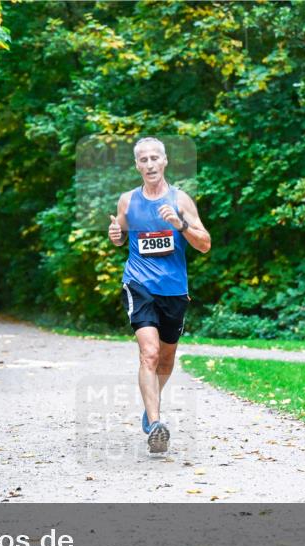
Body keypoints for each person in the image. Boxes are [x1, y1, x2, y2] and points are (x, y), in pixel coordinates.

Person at [108, 137, 211, 453]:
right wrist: (115, 235)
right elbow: (120, 232)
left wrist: (179, 225)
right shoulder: (127, 201)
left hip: (174, 290)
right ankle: (155, 424)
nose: (150, 164)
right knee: (149, 353)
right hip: (138, 285)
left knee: (166, 358)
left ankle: (150, 405)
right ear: (137, 165)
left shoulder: (181, 201)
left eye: (155, 158)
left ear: (164, 161)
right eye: (143, 159)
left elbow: (204, 243)